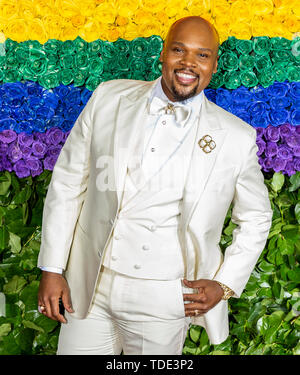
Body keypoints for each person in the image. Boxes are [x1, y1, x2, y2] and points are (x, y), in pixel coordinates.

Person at [37, 16, 272, 355]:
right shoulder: (108, 97)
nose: (189, 63)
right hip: (90, 284)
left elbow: (256, 217)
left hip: (166, 298)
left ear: (214, 65)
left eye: (202, 55)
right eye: (179, 50)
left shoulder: (235, 137)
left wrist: (225, 283)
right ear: (162, 53)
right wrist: (52, 268)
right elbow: (68, 183)